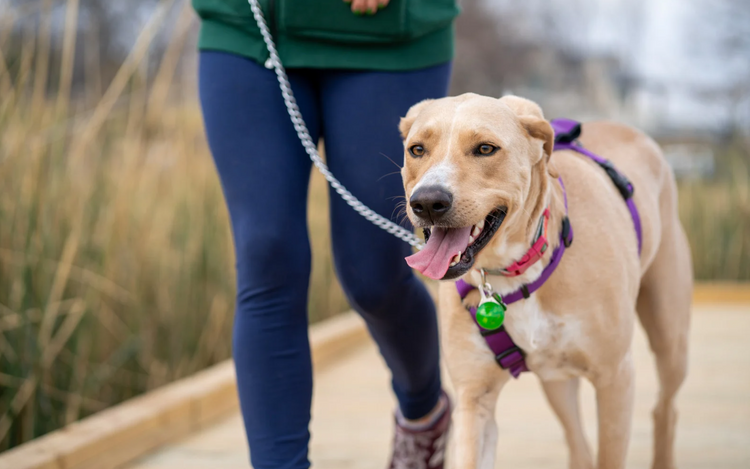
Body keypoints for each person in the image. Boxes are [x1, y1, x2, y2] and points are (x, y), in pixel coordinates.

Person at [192, 0, 459, 467]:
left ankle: (424, 412)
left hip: (388, 38)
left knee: (374, 275)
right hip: (249, 32)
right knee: (266, 253)